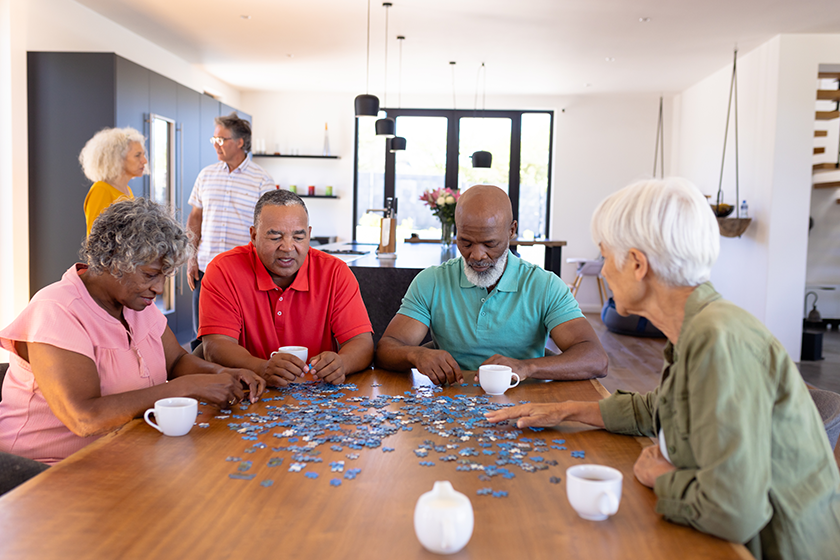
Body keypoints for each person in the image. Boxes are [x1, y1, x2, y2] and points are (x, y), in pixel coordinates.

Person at [485, 178, 840, 559]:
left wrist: (664, 478)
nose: (603, 271)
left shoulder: (718, 338)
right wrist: (566, 409)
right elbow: (665, 408)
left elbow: (734, 513)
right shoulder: (698, 325)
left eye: (605, 256)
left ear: (637, 264)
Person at [0, 198, 265, 465]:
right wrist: (185, 387)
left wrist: (223, 374)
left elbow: (176, 361)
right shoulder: (56, 310)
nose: (159, 288)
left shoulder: (135, 304)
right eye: (150, 275)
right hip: (41, 473)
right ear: (114, 262)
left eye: (164, 276)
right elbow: (85, 417)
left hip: (122, 454)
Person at [375, 184, 608, 385]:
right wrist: (415, 355)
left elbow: (596, 359)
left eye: (490, 243)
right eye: (465, 242)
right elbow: (386, 350)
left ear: (512, 231)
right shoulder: (431, 281)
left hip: (529, 403)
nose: (477, 255)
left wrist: (527, 368)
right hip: (451, 402)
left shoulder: (545, 285)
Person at [199, 189, 374, 387]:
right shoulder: (223, 270)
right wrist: (261, 368)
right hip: (247, 394)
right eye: (275, 238)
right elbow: (215, 346)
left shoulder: (335, 272)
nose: (288, 248)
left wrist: (342, 363)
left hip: (319, 398)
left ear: (309, 234)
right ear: (254, 236)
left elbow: (362, 343)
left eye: (298, 238)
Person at [186, 112, 275, 335]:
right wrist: (191, 256)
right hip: (206, 269)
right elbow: (195, 218)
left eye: (222, 139)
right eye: (214, 139)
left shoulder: (262, 180)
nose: (216, 145)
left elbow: (269, 226)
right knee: (203, 335)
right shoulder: (205, 175)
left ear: (240, 142)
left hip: (244, 271)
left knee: (241, 335)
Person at [79, 127, 147, 236]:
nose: (144, 161)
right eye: (137, 155)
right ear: (117, 159)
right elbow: (95, 240)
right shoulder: (101, 189)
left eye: (143, 154)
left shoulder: (127, 190)